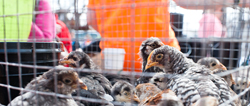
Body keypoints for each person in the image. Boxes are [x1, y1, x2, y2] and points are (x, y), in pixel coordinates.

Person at [87, 0, 249, 72]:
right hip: (165, 65)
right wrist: (235, 1)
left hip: (117, 65)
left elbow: (92, 19)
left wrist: (118, 36)